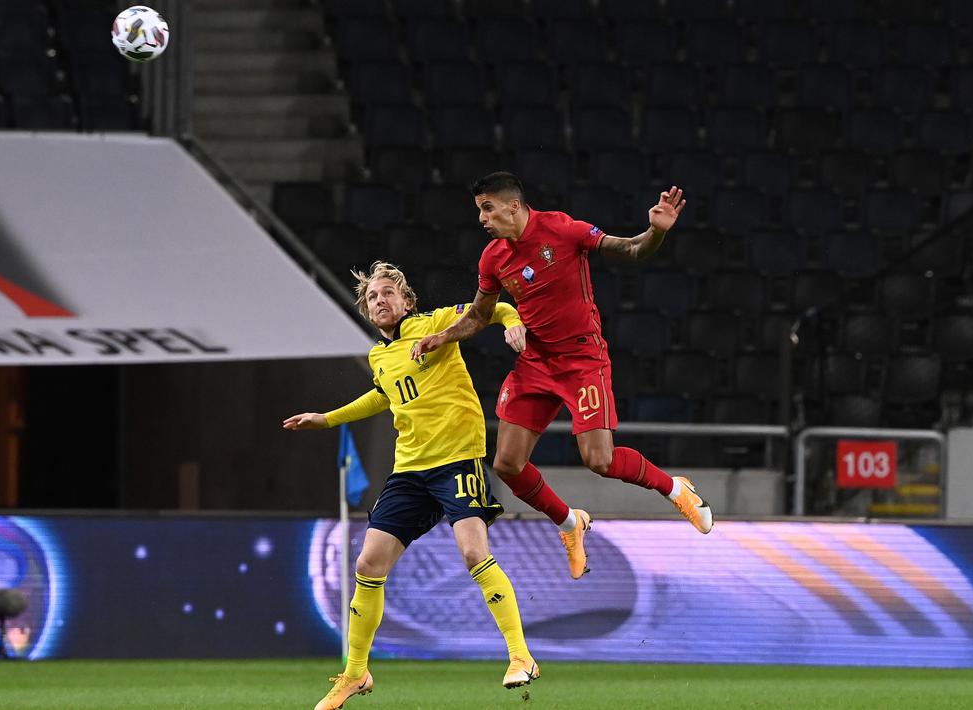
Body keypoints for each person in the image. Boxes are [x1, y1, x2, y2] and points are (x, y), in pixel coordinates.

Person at [412, 172, 713, 581]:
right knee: (506, 464)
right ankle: (570, 524)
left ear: (513, 206)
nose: (482, 218)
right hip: (535, 364)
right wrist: (443, 336)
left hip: (582, 360)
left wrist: (654, 233)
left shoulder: (561, 227)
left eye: (487, 208)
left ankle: (675, 489)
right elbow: (482, 315)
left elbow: (629, 250)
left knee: (599, 460)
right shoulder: (493, 257)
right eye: (479, 209)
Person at [284, 261, 539, 710]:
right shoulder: (378, 356)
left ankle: (521, 656)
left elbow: (494, 309)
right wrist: (327, 419)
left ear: (406, 301)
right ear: (367, 311)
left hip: (457, 459)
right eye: (372, 297)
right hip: (410, 472)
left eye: (387, 293)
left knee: (473, 552)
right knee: (368, 561)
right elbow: (381, 396)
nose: (380, 300)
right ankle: (356, 672)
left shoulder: (436, 322)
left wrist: (514, 323)